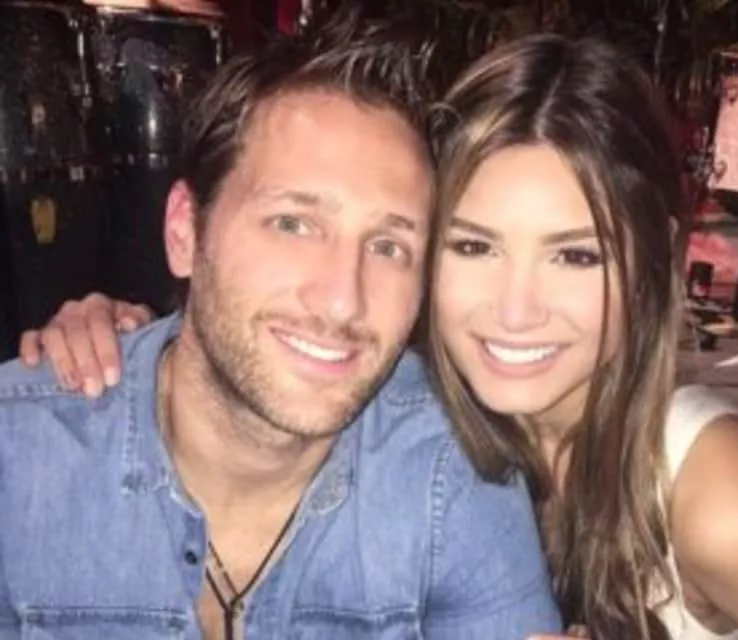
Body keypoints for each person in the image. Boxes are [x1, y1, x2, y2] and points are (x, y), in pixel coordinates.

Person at [20, 35, 738, 640]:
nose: (514, 311)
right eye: (473, 246)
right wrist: (134, 338)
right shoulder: (426, 411)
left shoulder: (719, 499)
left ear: (652, 266)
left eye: (575, 255)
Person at [0, 16, 563, 640]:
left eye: (388, 247)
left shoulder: (453, 467)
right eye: (293, 224)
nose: (343, 302)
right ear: (185, 231)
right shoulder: (19, 456)